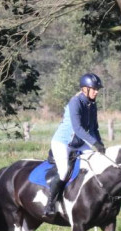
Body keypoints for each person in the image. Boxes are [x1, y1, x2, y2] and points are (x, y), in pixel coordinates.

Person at [45, 73, 105, 216]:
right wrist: (94, 142)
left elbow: (94, 128)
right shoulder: (75, 102)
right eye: (94, 89)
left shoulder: (92, 104)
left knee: (96, 162)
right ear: (85, 89)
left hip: (78, 144)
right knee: (64, 171)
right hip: (63, 142)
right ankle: (50, 204)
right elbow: (78, 128)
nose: (97, 91)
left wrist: (100, 145)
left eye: (97, 89)